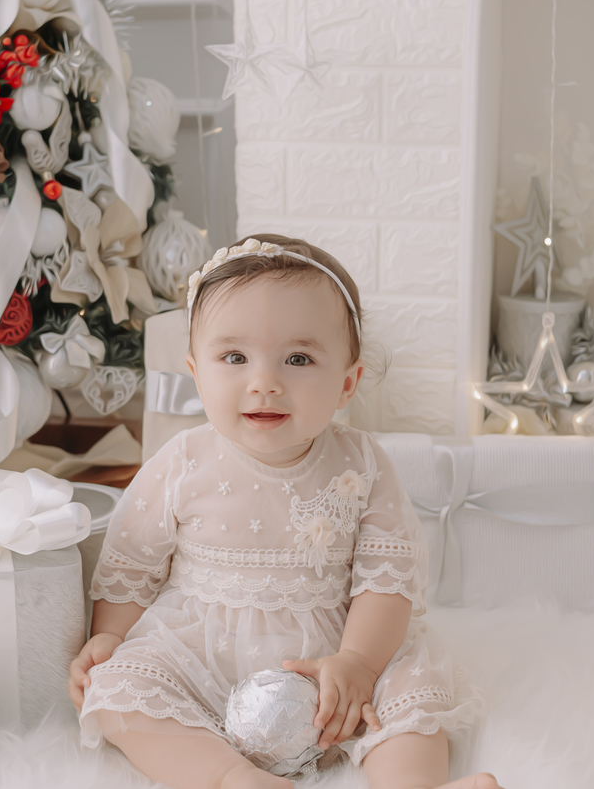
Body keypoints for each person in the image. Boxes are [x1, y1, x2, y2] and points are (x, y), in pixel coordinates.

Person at [68, 235, 501, 789]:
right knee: (117, 689)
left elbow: (386, 579)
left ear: (347, 382)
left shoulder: (362, 463)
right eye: (235, 358)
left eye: (298, 359)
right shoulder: (182, 461)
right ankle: (230, 777)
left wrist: (360, 663)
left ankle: (413, 786)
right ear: (197, 373)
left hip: (337, 666)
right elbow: (132, 564)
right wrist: (110, 637)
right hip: (201, 658)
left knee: (410, 690)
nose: (264, 383)